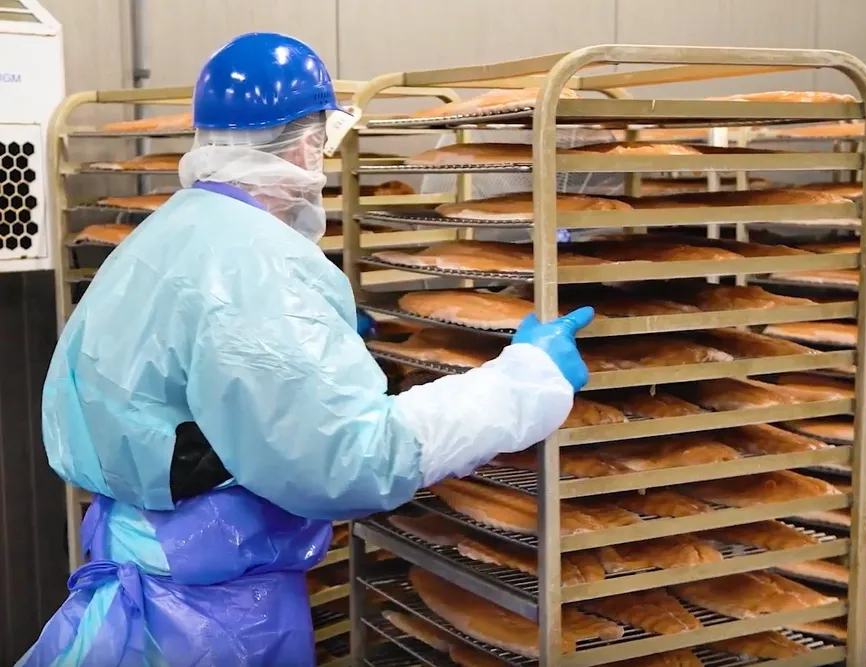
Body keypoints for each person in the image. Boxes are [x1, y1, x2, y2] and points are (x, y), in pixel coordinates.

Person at [18, 32, 593, 667]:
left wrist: (312, 349)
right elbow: (353, 461)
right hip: (210, 619)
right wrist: (524, 381)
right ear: (304, 145)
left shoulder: (171, 230)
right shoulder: (258, 265)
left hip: (146, 572)